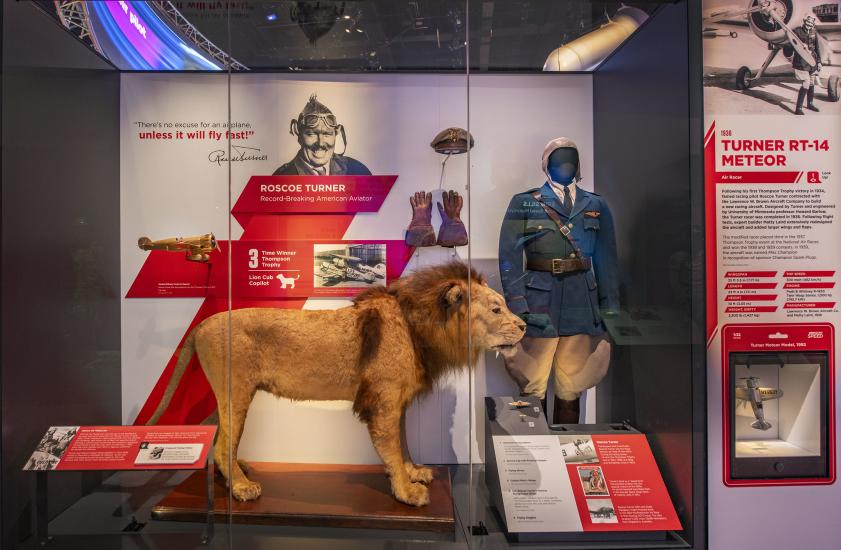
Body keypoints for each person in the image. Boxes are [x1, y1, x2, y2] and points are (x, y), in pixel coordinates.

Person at [498, 137, 619, 424]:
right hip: (539, 301)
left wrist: (610, 306)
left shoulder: (596, 204)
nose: (565, 164)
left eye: (570, 159)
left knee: (571, 385)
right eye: (558, 159)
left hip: (582, 301)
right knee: (531, 381)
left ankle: (567, 455)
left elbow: (608, 259)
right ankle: (533, 453)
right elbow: (509, 257)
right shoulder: (524, 203)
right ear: (546, 166)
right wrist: (517, 303)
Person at [274, 94, 371, 175]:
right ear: (298, 134)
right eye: (311, 134)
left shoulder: (356, 170)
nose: (320, 143)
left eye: (327, 134)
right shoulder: (282, 178)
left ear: (336, 133)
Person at [792, 15, 824, 115]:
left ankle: (810, 103)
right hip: (801, 61)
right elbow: (790, 44)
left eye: (811, 23)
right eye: (808, 22)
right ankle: (798, 108)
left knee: (811, 82)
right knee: (806, 83)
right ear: (804, 21)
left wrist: (819, 62)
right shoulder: (797, 31)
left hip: (812, 62)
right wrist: (801, 44)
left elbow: (817, 49)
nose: (809, 25)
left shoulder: (814, 32)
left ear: (813, 24)